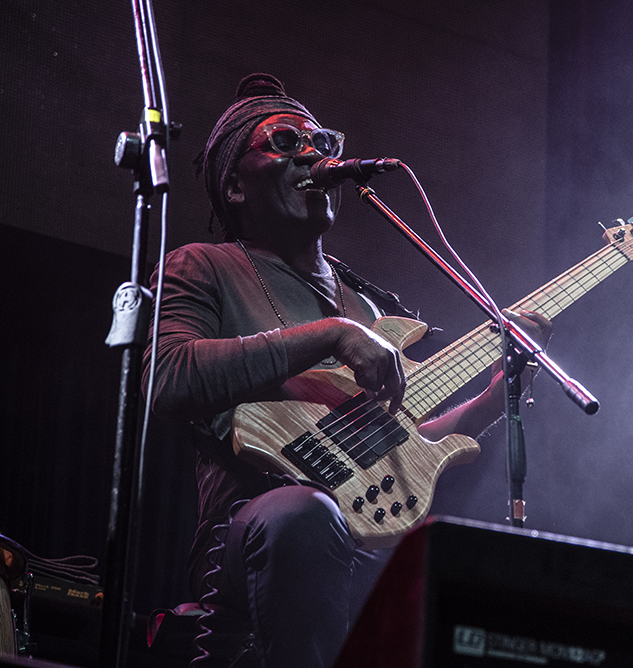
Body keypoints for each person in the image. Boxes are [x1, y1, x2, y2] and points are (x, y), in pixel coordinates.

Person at [143, 73, 550, 667]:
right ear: (233, 186)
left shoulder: (368, 308)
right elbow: (168, 377)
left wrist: (492, 398)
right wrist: (329, 334)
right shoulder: (203, 265)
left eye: (320, 142)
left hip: (365, 527)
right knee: (304, 515)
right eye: (284, 142)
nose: (313, 154)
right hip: (252, 524)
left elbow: (394, 444)